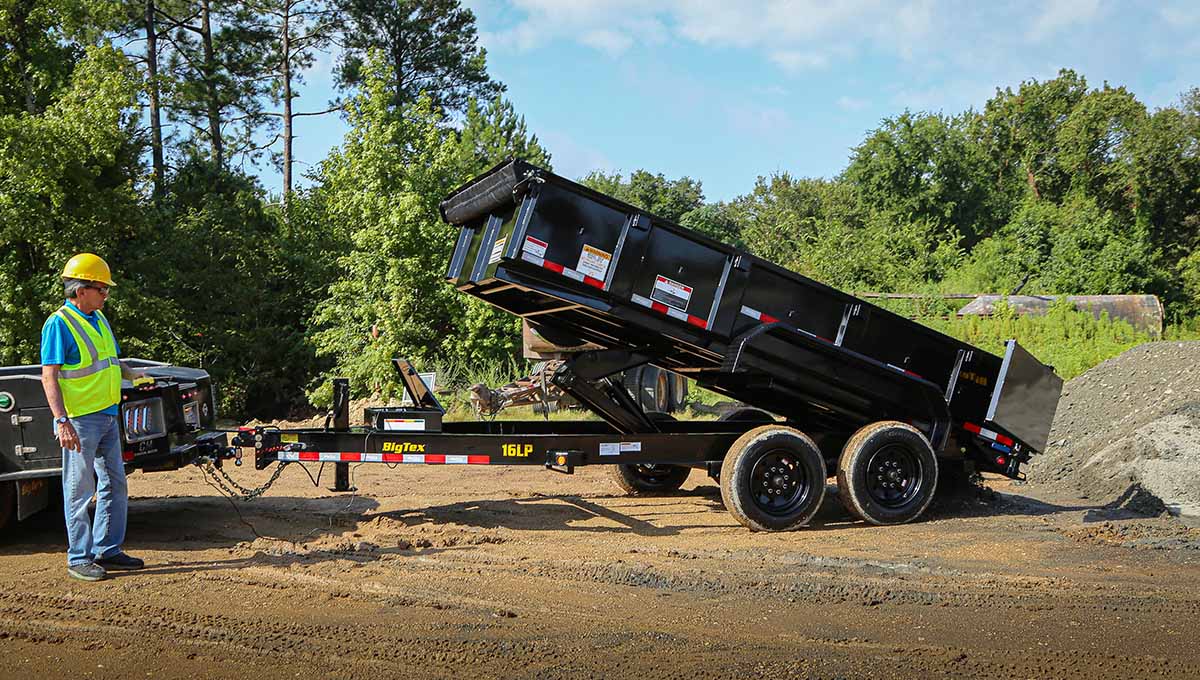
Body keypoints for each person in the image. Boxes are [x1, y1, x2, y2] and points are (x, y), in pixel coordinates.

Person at [40, 253, 152, 582]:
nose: (106, 294)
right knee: (78, 490)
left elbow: (109, 363)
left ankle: (108, 549)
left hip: (107, 416)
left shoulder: (99, 320)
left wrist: (135, 374)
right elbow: (49, 376)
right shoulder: (59, 323)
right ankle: (79, 558)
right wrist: (61, 421)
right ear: (81, 289)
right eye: (101, 288)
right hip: (79, 421)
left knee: (114, 485)